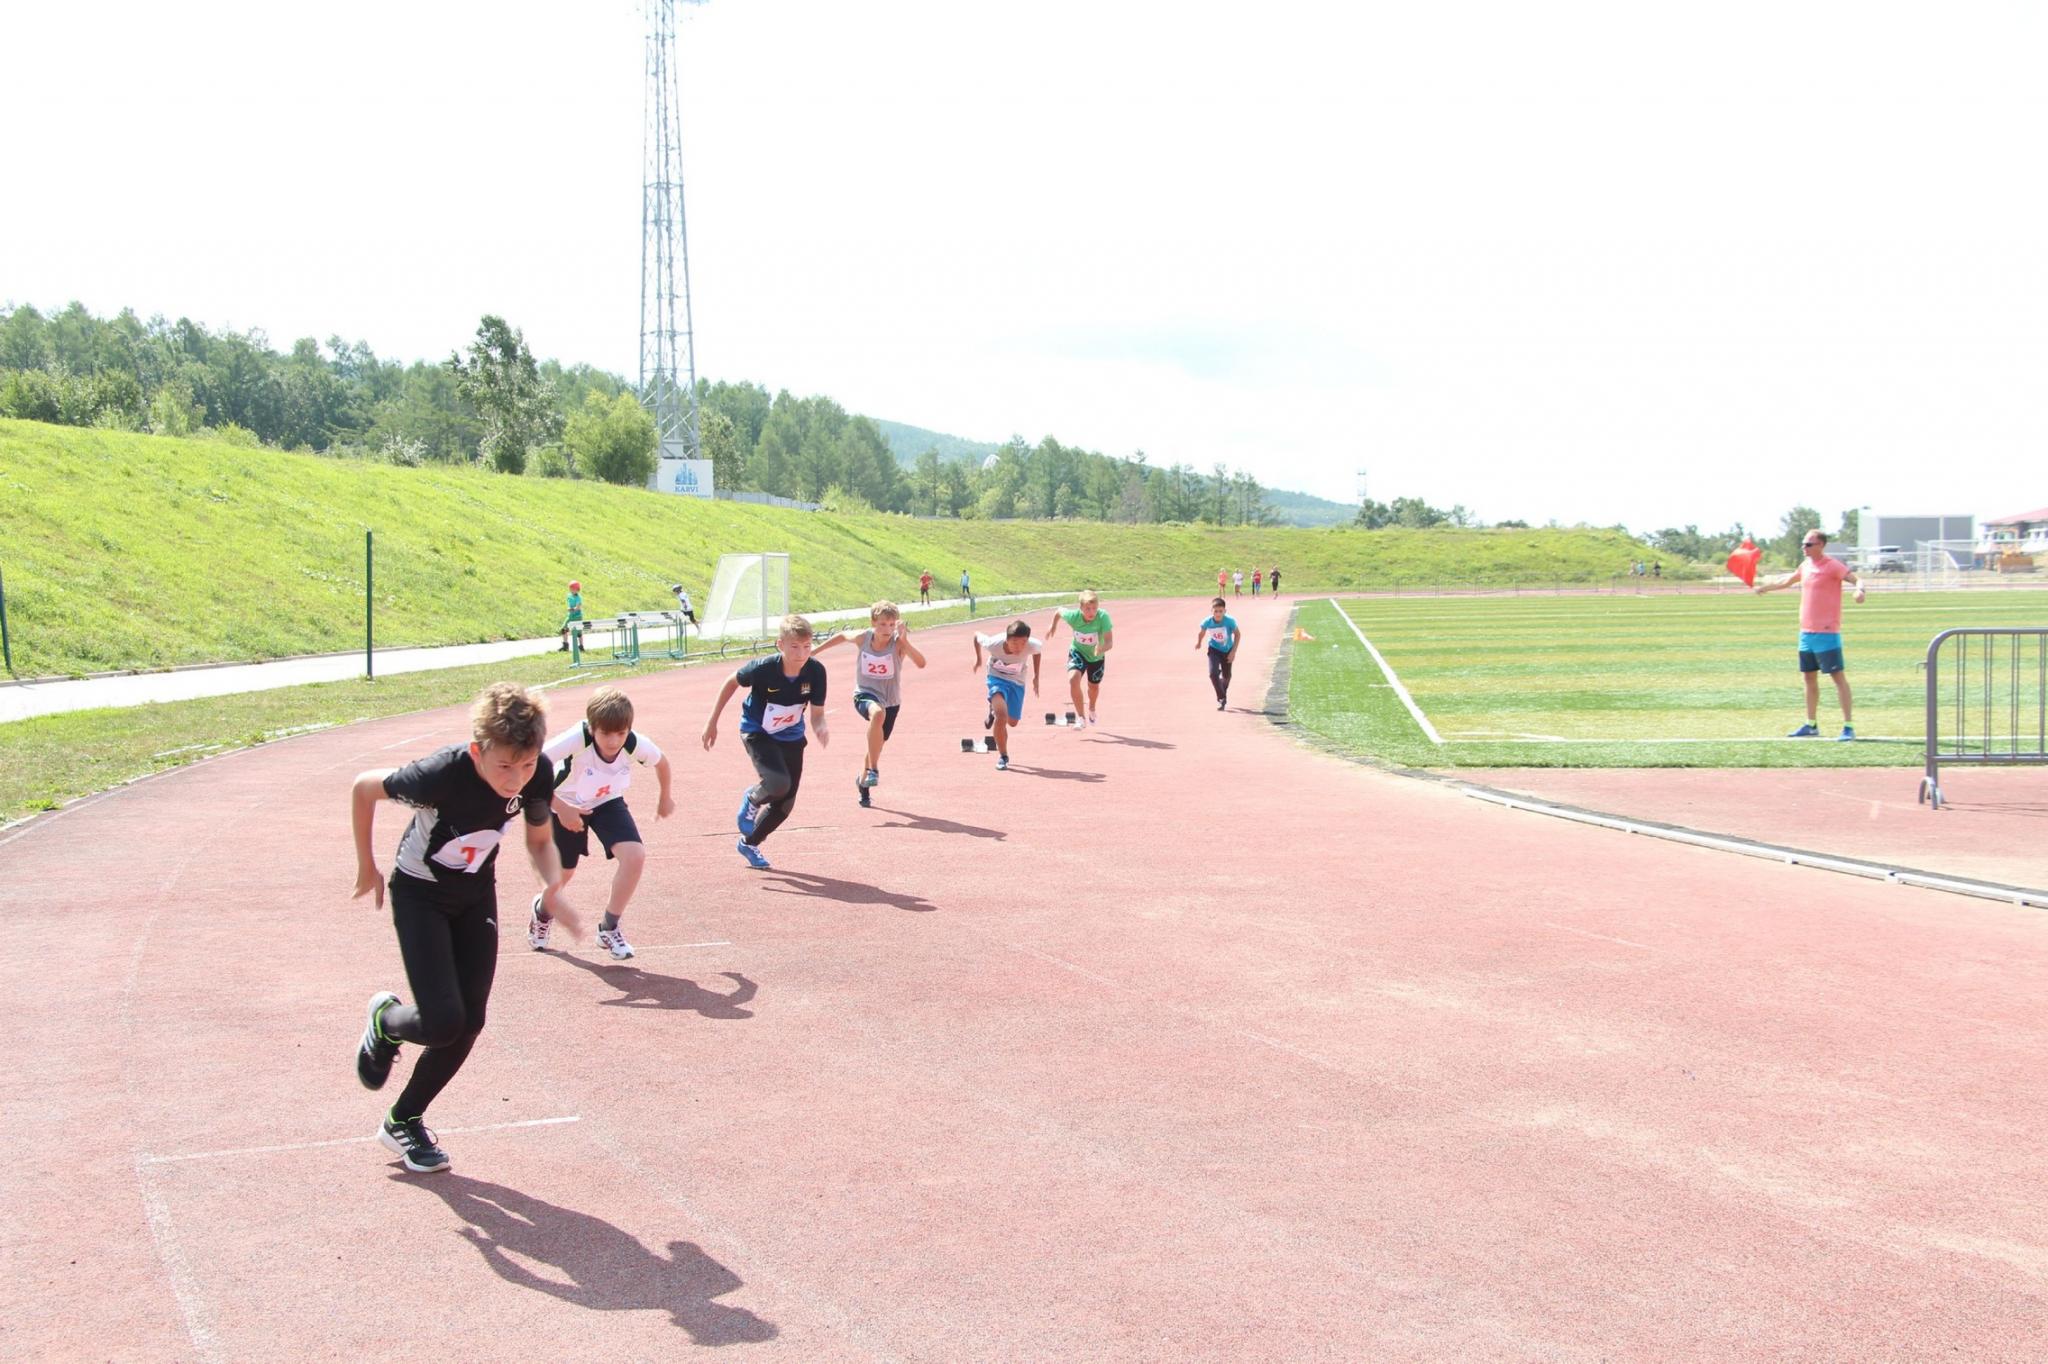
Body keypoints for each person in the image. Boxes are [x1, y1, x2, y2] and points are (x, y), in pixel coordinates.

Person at [350, 683, 584, 1174]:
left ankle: (403, 1119)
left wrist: (553, 885)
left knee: (470, 1020)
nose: (515, 779)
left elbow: (539, 839)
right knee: (441, 1023)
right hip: (420, 895)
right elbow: (364, 786)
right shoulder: (438, 774)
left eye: (525, 766)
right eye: (503, 766)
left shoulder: (536, 772)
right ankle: (387, 1021)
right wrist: (365, 864)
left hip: (476, 893)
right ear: (478, 751)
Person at [528, 685, 675, 961]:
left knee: (635, 856)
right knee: (563, 875)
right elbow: (532, 767)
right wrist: (561, 808)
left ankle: (609, 927)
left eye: (621, 733)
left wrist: (664, 797)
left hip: (607, 801)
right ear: (592, 728)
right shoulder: (576, 739)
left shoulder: (633, 742)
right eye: (606, 733)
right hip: (564, 801)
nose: (613, 741)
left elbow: (662, 762)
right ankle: (542, 910)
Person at [702, 615, 829, 869]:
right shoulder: (763, 669)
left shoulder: (816, 671)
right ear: (780, 644)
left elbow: (816, 713)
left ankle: (749, 843)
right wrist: (712, 721)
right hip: (758, 732)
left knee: (785, 803)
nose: (801, 653)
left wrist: (820, 727)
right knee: (777, 783)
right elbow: (731, 682)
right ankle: (752, 798)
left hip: (791, 736)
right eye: (794, 646)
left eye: (807, 646)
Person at [1755, 528, 1865, 740]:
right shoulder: (1806, 566)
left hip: (1827, 633)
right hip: (1806, 633)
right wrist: (1764, 588)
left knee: (1837, 678)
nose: (1804, 547)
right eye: (1803, 544)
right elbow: (1787, 581)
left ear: (1821, 545)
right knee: (1809, 678)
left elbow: (1856, 579)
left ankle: (1848, 727)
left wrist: (1860, 591)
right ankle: (1811, 724)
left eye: (1808, 544)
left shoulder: (1832, 565)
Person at [815, 600, 927, 807]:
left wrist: (905, 640)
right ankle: (874, 770)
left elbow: (921, 663)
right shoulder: (863, 638)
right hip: (865, 694)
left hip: (891, 701)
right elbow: (841, 636)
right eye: (883, 624)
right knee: (877, 713)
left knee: (876, 744)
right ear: (873, 623)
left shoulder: (898, 643)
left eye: (892, 625)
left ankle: (863, 781)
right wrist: (813, 652)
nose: (887, 629)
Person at [974, 619, 1042, 771]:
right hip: (996, 679)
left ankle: (994, 709)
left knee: (1012, 722)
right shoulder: (993, 643)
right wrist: (978, 658)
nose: (1019, 647)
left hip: (1017, 683)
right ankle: (1003, 756)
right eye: (1014, 643)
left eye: (1023, 643)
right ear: (1007, 639)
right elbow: (976, 635)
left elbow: (1037, 653)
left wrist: (1036, 676)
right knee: (1001, 716)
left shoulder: (1032, 645)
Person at [1044, 590, 1113, 728]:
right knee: (1073, 679)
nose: (1091, 612)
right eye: (1087, 609)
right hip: (1078, 652)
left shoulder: (1103, 617)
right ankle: (1081, 717)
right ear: (1080, 608)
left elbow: (1109, 642)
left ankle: (1092, 708)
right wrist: (1053, 625)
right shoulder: (1073, 616)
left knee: (1093, 687)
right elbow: (1058, 611)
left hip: (1096, 657)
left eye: (1094, 608)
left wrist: (1101, 648)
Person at [1196, 597, 1241, 710]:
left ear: (1225, 611)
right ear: (1211, 611)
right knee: (1213, 674)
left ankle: (1222, 689)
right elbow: (1201, 633)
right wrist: (1199, 643)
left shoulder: (1229, 621)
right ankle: (1221, 698)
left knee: (1227, 676)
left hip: (1227, 650)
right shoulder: (1207, 621)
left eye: (1221, 611)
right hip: (1214, 649)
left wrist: (1233, 652)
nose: (1218, 614)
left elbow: (1238, 634)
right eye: (1215, 611)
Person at [558, 580, 583, 652]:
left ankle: (581, 646)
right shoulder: (569, 596)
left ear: (577, 589)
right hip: (570, 617)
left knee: (578, 633)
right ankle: (565, 645)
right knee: (564, 629)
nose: (572, 590)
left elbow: (578, 607)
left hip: (577, 617)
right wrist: (570, 609)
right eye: (571, 589)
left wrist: (571, 609)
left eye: (573, 589)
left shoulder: (579, 598)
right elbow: (569, 603)